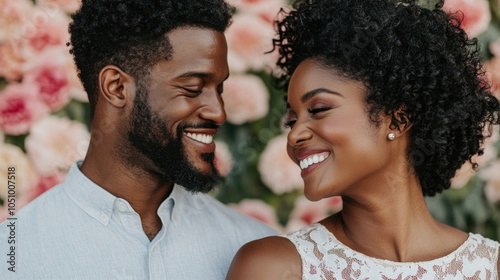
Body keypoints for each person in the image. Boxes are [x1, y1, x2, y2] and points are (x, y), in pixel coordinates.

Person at [0, 0, 277, 279]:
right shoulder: (13, 255)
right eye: (193, 88)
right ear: (117, 88)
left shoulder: (253, 248)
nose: (218, 113)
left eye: (220, 88)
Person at [226, 0, 500, 279]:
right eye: (292, 121)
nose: (295, 134)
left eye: (319, 109)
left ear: (398, 119)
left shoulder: (491, 266)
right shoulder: (274, 267)